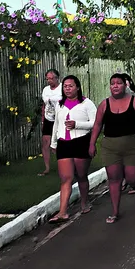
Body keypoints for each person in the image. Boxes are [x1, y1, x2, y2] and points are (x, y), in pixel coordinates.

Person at [89, 74, 135, 223]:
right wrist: (92, 143)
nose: (115, 86)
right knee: (114, 179)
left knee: (132, 178)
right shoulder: (104, 105)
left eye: (119, 83)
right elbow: (97, 125)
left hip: (132, 145)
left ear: (125, 85)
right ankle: (115, 211)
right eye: (112, 83)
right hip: (110, 146)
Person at [48, 75, 96, 223]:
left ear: (78, 87)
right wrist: (54, 142)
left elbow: (95, 123)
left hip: (81, 141)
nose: (67, 89)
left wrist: (78, 125)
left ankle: (84, 202)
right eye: (65, 86)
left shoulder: (86, 103)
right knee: (66, 178)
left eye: (70, 86)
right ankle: (62, 212)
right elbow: (56, 124)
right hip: (64, 143)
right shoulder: (60, 104)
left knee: (81, 175)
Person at [39, 69, 62, 176]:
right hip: (48, 118)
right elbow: (45, 105)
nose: (49, 81)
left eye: (51, 78)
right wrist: (43, 119)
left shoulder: (62, 88)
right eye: (47, 78)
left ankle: (64, 165)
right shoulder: (45, 90)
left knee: (59, 143)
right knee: (45, 142)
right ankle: (47, 168)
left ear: (57, 78)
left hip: (60, 118)